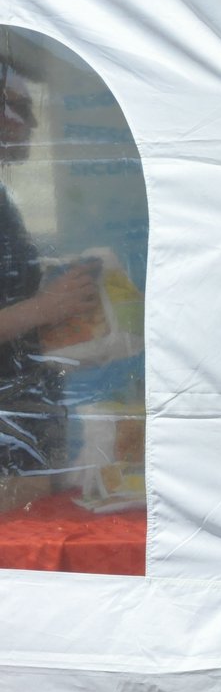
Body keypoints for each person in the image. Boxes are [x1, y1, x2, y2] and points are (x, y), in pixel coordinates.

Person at [0, 57, 99, 483]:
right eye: (19, 109)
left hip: (28, 414)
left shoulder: (2, 200)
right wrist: (48, 306)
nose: (33, 123)